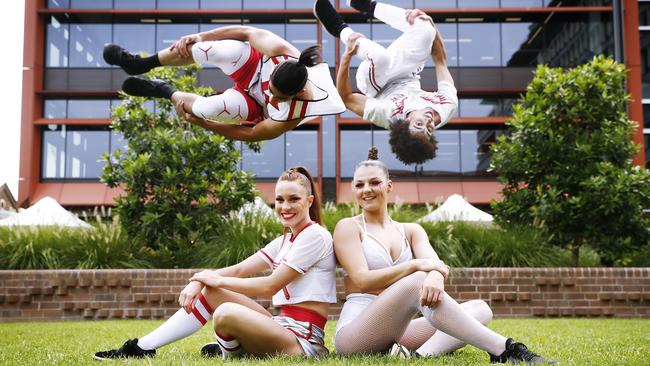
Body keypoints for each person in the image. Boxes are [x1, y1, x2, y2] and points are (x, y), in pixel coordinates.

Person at [332, 146, 554, 363]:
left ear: (389, 186)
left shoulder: (411, 230)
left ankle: (419, 356)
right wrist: (417, 266)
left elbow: (436, 265)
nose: (366, 189)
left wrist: (436, 274)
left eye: (374, 182)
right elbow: (362, 280)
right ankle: (504, 348)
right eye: (359, 185)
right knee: (419, 278)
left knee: (480, 309)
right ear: (353, 189)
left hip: (399, 331)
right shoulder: (348, 227)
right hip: (356, 334)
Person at [94, 166, 337, 360]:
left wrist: (216, 279)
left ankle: (233, 351)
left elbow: (270, 286)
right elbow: (240, 269)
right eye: (279, 200)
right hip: (280, 326)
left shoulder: (314, 235)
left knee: (224, 313)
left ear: (309, 201)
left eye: (293, 199)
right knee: (213, 293)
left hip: (302, 340)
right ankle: (143, 347)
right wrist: (199, 280)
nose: (285, 207)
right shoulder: (285, 239)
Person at [103, 25, 345, 142]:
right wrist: (201, 36)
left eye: (279, 98)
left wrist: (204, 123)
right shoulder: (278, 51)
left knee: (205, 109)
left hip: (253, 104)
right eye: (273, 90)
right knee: (204, 48)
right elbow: (246, 33)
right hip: (253, 66)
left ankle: (163, 90)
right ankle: (141, 64)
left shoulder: (292, 115)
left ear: (299, 93)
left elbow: (251, 134)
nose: (273, 98)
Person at [313, 0, 458, 165]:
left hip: (377, 84)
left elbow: (346, 98)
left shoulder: (388, 114)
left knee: (380, 57)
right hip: (407, 73)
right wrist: (430, 24)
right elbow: (440, 60)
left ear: (405, 122)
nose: (428, 122)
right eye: (430, 129)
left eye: (419, 124)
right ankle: (366, 5)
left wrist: (346, 58)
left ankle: (338, 28)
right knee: (424, 28)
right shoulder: (447, 105)